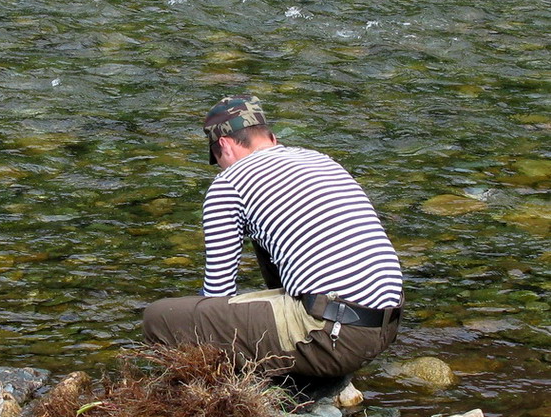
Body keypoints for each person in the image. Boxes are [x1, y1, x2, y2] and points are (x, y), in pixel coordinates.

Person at [142, 95, 403, 400]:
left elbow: (217, 293)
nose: (221, 168)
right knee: (265, 244)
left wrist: (196, 316)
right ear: (271, 137)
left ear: (225, 145)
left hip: (334, 340)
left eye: (219, 158)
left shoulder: (228, 185)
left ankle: (224, 399)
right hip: (385, 325)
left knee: (160, 317)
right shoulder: (319, 159)